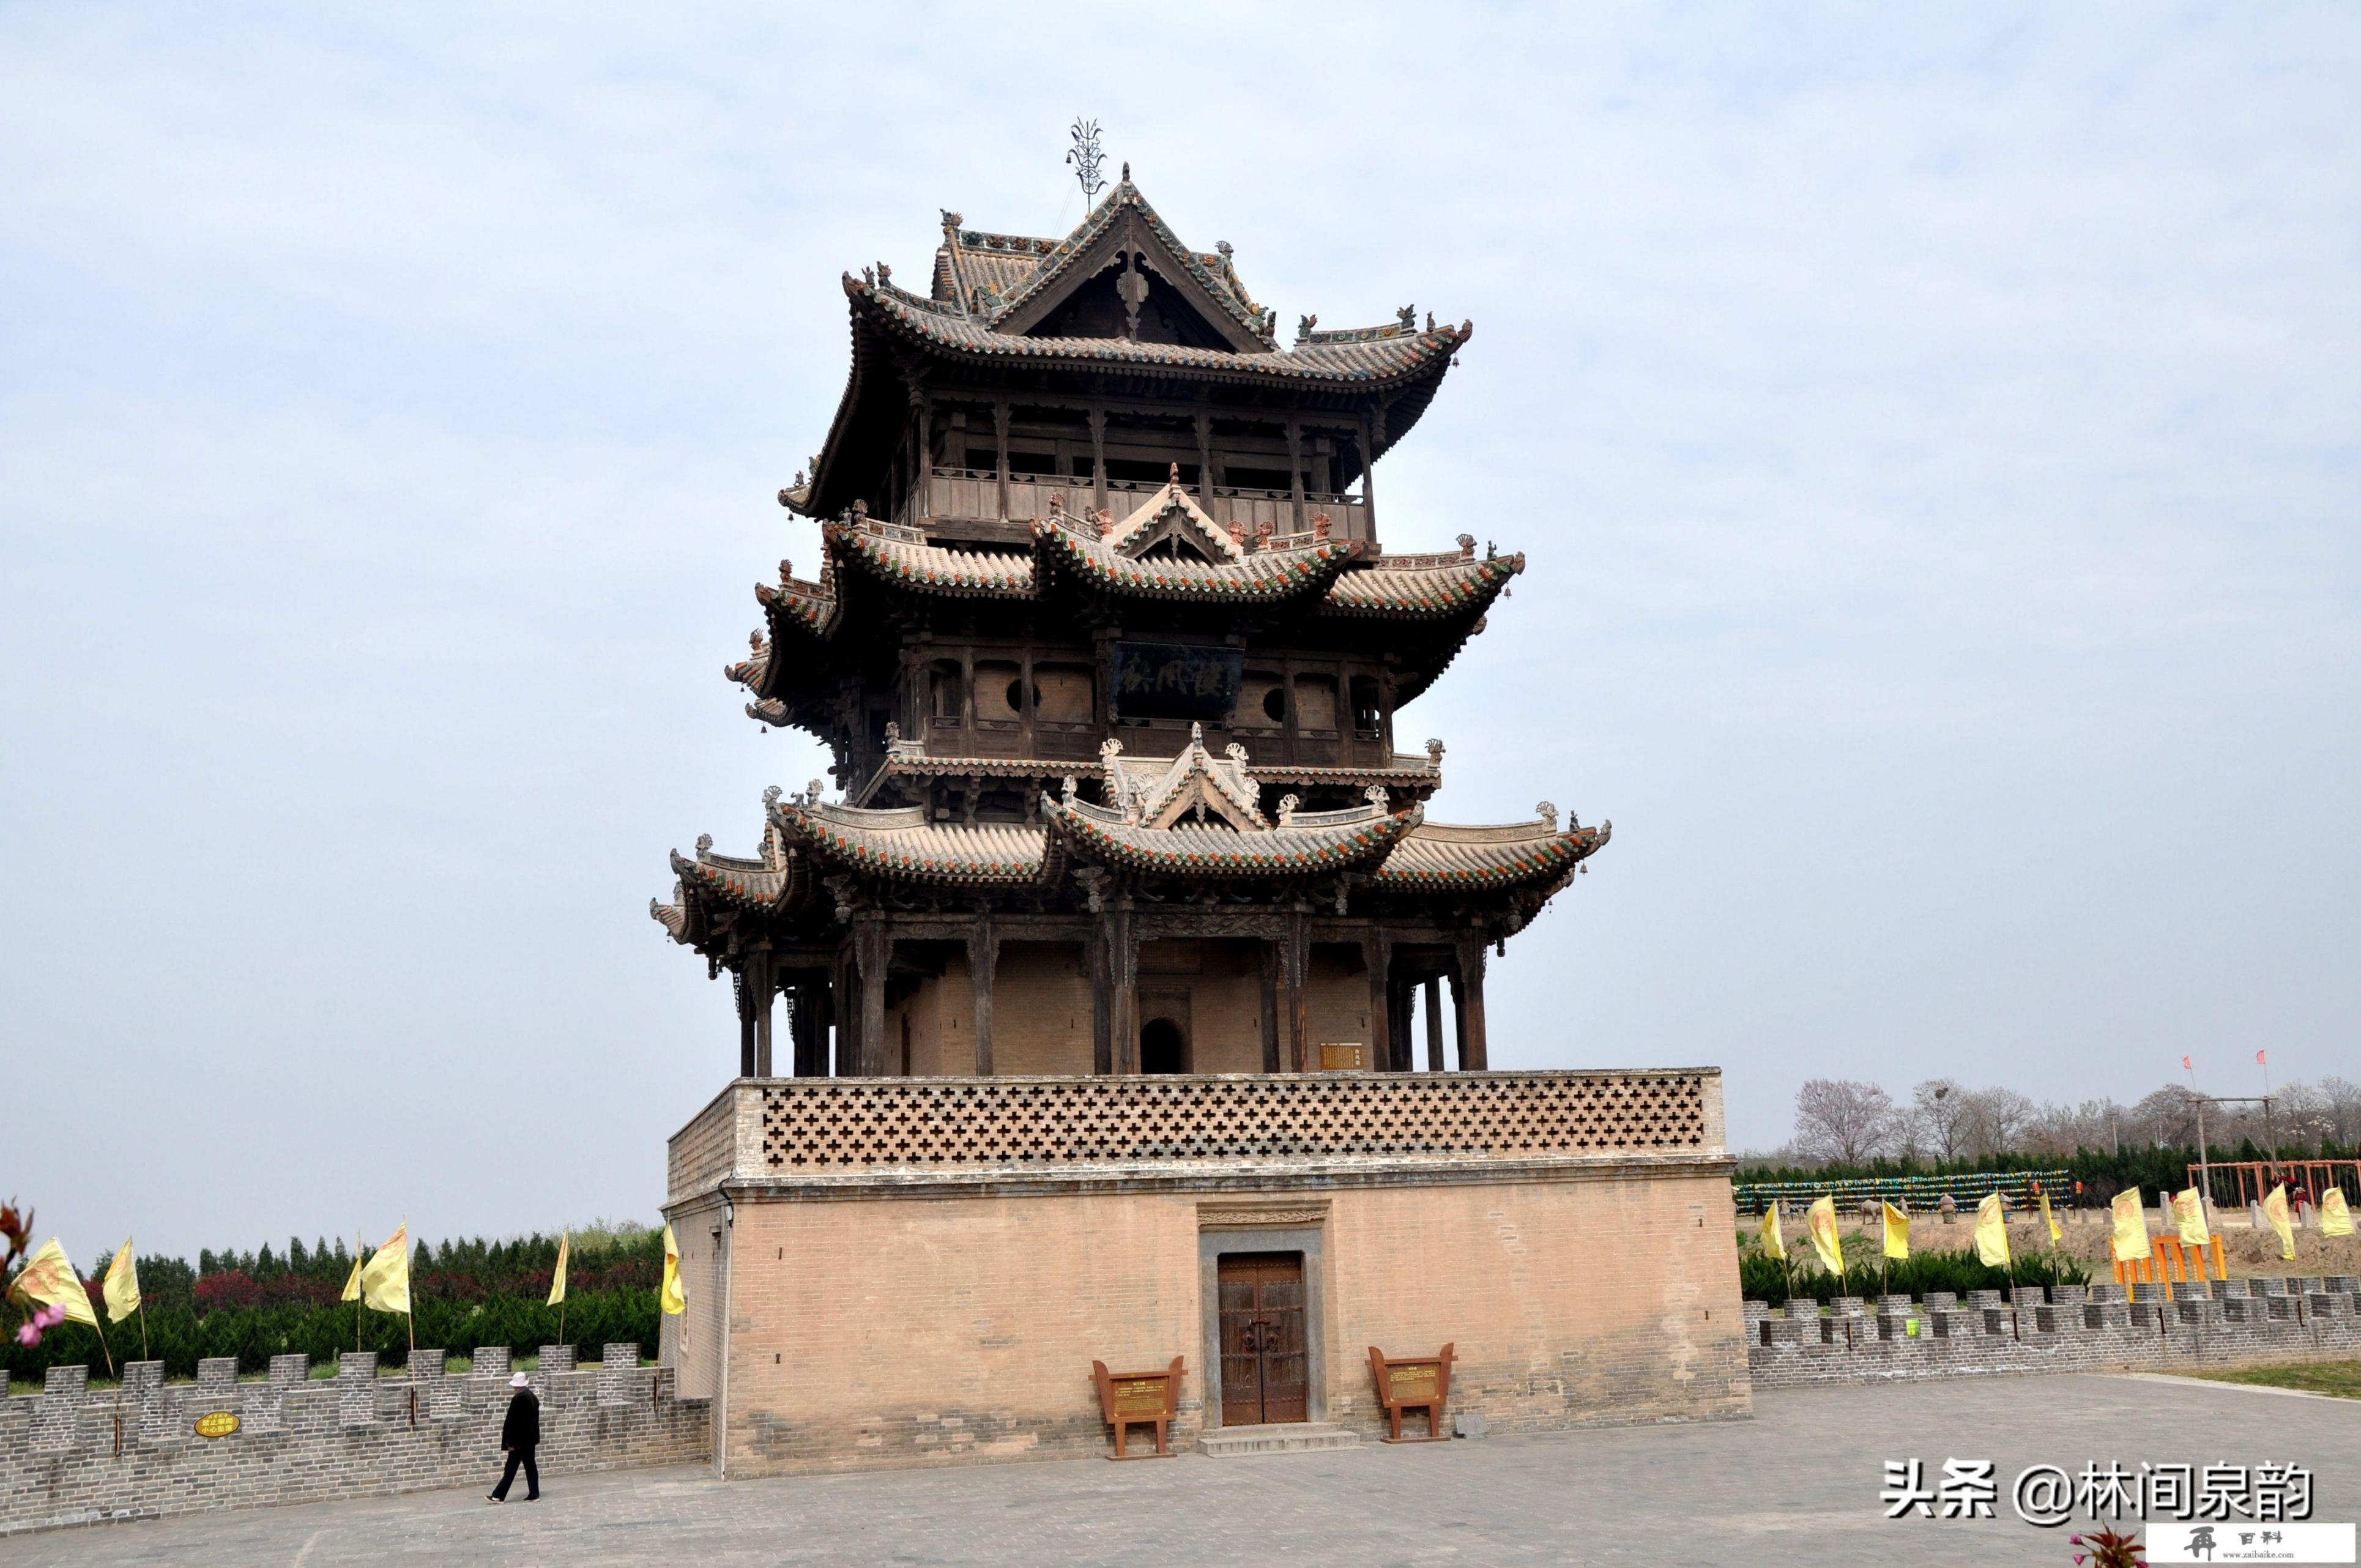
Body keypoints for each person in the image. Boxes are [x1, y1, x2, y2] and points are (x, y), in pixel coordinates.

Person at [489, 1370, 540, 1503]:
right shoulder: (532, 1397)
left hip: (519, 1442)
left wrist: (510, 1443)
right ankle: (534, 1494)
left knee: (510, 1469)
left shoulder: (518, 1399)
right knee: (530, 1467)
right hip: (530, 1441)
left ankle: (498, 1495)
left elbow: (514, 1424)